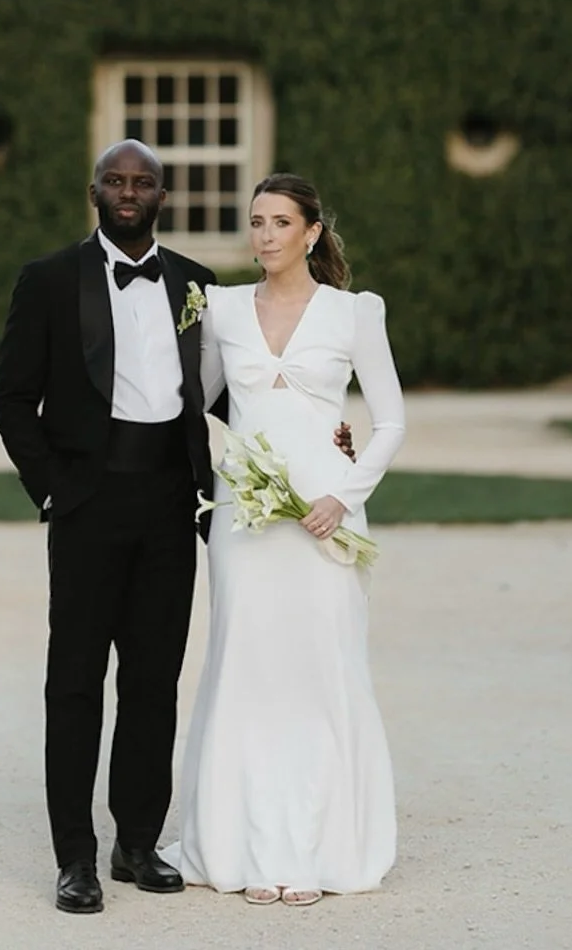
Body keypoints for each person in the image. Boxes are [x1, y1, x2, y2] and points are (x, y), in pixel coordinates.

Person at [0, 141, 352, 916]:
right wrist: (52, 489)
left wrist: (321, 433)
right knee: (75, 682)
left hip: (170, 503)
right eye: (116, 180)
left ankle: (137, 842)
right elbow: (12, 398)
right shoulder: (48, 280)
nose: (129, 191)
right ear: (95, 191)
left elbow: (232, 391)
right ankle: (75, 858)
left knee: (153, 682)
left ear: (162, 195)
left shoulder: (198, 286)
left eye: (143, 182)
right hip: (86, 505)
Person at [173, 173, 406, 906]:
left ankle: (318, 849)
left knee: (320, 669)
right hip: (246, 520)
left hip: (326, 515)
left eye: (280, 222)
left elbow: (391, 421)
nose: (266, 234)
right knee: (247, 669)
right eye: (257, 222)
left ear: (311, 233)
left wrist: (344, 493)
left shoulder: (355, 313)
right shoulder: (222, 309)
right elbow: (198, 403)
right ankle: (243, 846)